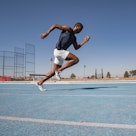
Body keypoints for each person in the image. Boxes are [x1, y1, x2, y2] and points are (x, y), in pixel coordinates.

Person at [37, 22, 90, 91]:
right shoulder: (68, 29)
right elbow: (55, 25)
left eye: (81, 31)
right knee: (76, 59)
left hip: (60, 53)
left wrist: (84, 41)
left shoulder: (74, 38)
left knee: (53, 72)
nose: (79, 31)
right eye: (80, 29)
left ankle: (40, 82)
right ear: (76, 27)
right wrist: (46, 33)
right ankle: (59, 70)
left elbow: (76, 47)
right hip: (59, 51)